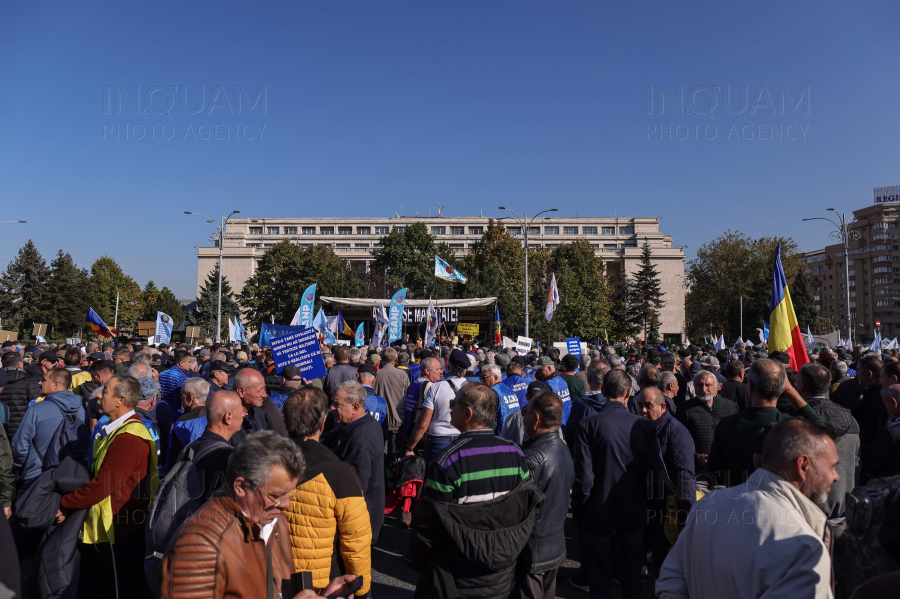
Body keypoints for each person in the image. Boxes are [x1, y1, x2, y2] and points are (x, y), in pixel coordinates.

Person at [656, 419, 839, 599]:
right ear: (803, 465)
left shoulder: (709, 504)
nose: (836, 476)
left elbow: (670, 580)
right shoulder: (805, 547)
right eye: (831, 466)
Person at [161, 431, 358, 599]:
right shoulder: (199, 546)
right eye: (276, 495)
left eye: (290, 493)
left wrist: (322, 594)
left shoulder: (273, 519)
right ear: (240, 486)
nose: (287, 505)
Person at [410, 382, 542, 599]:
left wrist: (422, 563)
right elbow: (524, 508)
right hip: (503, 570)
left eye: (454, 403)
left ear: (467, 413)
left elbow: (430, 525)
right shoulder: (516, 454)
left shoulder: (448, 460)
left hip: (459, 574)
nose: (450, 407)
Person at [58, 375, 158, 599]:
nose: (99, 395)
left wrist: (65, 503)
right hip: (110, 527)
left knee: (123, 588)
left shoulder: (129, 438)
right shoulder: (119, 430)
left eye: (105, 392)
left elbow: (103, 485)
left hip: (117, 530)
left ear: (120, 400)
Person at [571, 369, 661, 599]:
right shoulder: (644, 426)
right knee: (631, 580)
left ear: (601, 390)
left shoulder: (587, 425)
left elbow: (583, 477)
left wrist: (581, 511)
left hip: (597, 514)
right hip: (633, 514)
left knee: (599, 580)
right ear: (629, 393)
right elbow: (655, 473)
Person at [282, 387, 372, 596]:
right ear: (323, 423)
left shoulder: (262, 463)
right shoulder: (341, 474)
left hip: (272, 575)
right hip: (321, 584)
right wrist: (360, 588)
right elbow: (356, 540)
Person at [707, 359, 826, 489]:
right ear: (782, 389)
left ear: (750, 385)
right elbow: (821, 429)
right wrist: (790, 389)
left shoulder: (726, 425)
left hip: (737, 501)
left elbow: (713, 474)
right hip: (779, 502)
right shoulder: (790, 425)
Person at [517, 392, 574, 599]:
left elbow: (515, 507)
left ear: (537, 418)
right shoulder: (563, 448)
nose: (523, 417)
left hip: (532, 549)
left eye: (525, 412)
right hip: (554, 545)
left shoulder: (532, 457)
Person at [637, 387, 695, 571]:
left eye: (648, 406)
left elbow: (684, 474)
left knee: (668, 563)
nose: (643, 410)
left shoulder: (676, 431)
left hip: (667, 510)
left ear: (662, 406)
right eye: (640, 406)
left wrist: (684, 514)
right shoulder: (644, 428)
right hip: (650, 506)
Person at [796, 362, 859, 518]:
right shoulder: (851, 420)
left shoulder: (797, 421)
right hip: (845, 510)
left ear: (801, 386)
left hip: (806, 513)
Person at [328, 381, 385, 543]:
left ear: (354, 407)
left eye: (337, 404)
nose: (331, 408)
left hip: (356, 528)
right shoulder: (362, 423)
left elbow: (355, 489)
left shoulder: (361, 438)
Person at [11, 368, 84, 487]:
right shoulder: (80, 409)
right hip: (69, 476)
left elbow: (20, 447)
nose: (39, 383)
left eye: (44, 380)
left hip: (36, 475)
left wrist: (22, 467)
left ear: (56, 384)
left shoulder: (37, 409)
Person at [675, 370, 739, 487]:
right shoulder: (684, 409)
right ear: (694, 387)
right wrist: (696, 456)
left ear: (718, 387)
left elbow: (737, 438)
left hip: (726, 474)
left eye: (708, 385)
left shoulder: (731, 407)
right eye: (700, 385)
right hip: (699, 475)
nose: (704, 389)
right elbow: (678, 442)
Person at [405, 349, 468, 464]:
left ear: (448, 366)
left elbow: (423, 424)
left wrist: (410, 447)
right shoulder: (474, 389)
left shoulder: (436, 387)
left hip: (439, 440)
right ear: (467, 369)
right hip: (464, 439)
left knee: (435, 477)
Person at [178, 391, 243, 501]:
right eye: (241, 411)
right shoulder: (227, 457)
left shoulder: (189, 448)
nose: (244, 414)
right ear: (228, 417)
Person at [166, 377, 211, 468]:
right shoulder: (214, 416)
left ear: (190, 396)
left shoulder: (183, 421)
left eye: (182, 396)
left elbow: (174, 455)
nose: (181, 399)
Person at [230, 368, 283, 445]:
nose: (264, 395)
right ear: (241, 391)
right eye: (259, 390)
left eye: (264, 389)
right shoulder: (227, 420)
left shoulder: (259, 413)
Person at [373, 347, 410, 457]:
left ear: (382, 359)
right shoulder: (402, 375)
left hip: (379, 420)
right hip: (397, 421)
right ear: (395, 359)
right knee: (394, 456)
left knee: (381, 455)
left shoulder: (376, 374)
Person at [860, 384, 900, 478]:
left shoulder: (891, 433)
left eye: (886, 405)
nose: (888, 412)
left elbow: (868, 461)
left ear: (894, 402)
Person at [0, 350, 41, 439]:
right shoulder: (30, 381)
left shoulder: (2, 380)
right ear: (20, 363)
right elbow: (37, 405)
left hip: (2, 428)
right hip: (22, 429)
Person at [480, 363, 521, 435]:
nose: (481, 380)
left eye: (484, 377)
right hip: (515, 434)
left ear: (495, 377)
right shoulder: (510, 390)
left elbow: (491, 422)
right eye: (480, 378)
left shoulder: (491, 393)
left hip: (500, 437)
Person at [158, 350, 192, 415]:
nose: (190, 364)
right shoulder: (183, 377)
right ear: (181, 363)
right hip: (175, 412)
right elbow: (183, 399)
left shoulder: (161, 374)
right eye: (189, 362)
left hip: (161, 410)